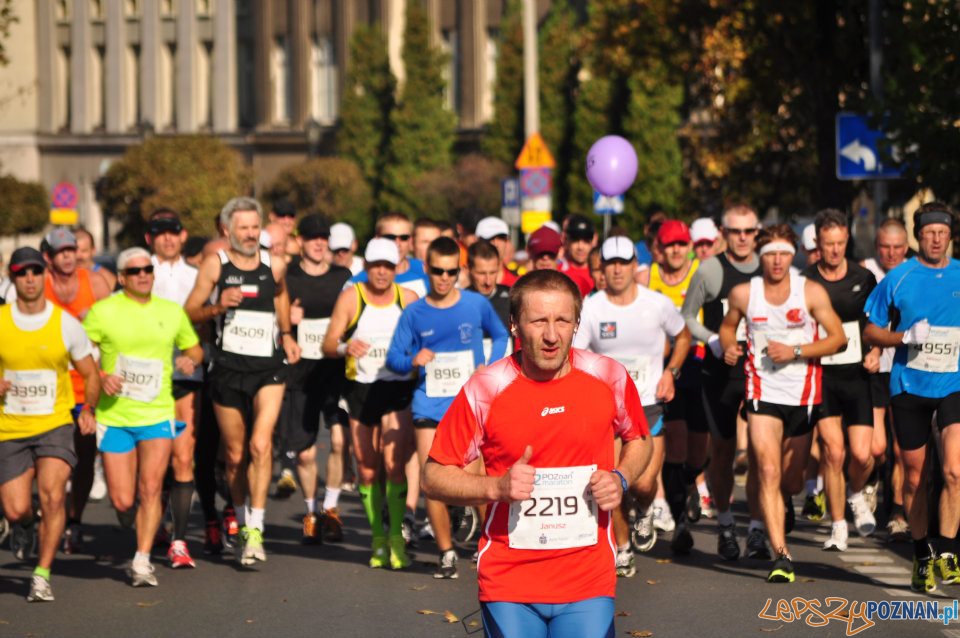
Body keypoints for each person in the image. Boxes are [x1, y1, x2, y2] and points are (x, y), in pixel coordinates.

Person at [422, 269, 651, 637]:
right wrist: (495, 488)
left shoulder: (608, 376)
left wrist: (620, 479)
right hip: (509, 582)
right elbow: (433, 476)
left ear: (577, 324)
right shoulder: (487, 387)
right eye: (538, 321)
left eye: (562, 321)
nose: (551, 335)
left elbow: (639, 439)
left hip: (588, 580)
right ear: (514, 324)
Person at [719, 224, 845, 583]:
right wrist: (728, 346)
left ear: (793, 255)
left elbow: (838, 339)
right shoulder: (745, 293)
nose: (777, 261)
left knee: (790, 481)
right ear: (761, 257)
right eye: (770, 254)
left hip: (802, 395)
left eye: (784, 254)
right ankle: (782, 555)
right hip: (762, 392)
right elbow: (728, 326)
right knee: (768, 470)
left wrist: (796, 351)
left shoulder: (811, 292)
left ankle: (784, 501)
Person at [184, 196, 301, 567]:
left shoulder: (274, 264)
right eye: (243, 228)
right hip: (228, 368)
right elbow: (189, 311)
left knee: (260, 445)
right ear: (227, 230)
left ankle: (256, 529)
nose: (250, 234)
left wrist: (286, 334)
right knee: (234, 455)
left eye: (255, 227)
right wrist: (219, 305)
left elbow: (281, 295)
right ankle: (238, 515)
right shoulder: (215, 265)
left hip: (268, 367)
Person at [387, 236, 509, 579]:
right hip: (429, 405)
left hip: (469, 405)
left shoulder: (475, 304)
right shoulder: (414, 312)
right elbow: (394, 358)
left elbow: (501, 335)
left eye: (451, 272)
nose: (444, 278)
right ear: (427, 268)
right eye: (438, 271)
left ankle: (489, 545)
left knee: (477, 480)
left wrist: (488, 366)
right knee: (432, 479)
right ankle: (446, 552)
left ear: (460, 270)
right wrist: (413, 359)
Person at [83, 247, 203, 586]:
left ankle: (142, 560)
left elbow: (194, 348)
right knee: (123, 499)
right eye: (135, 271)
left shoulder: (170, 311)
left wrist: (190, 359)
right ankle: (130, 519)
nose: (143, 275)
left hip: (156, 412)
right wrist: (101, 376)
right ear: (122, 278)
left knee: (151, 488)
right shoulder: (103, 311)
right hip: (116, 416)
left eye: (148, 269)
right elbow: (81, 354)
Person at [573, 237, 690, 578]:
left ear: (634, 265)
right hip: (607, 410)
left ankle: (647, 508)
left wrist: (671, 372)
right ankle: (623, 549)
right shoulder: (591, 307)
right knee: (616, 480)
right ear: (602, 268)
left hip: (648, 405)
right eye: (610, 263)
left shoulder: (657, 303)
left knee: (642, 484)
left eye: (623, 262)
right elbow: (577, 355)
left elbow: (683, 336)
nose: (617, 269)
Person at [863, 202, 960, 593]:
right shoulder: (898, 278)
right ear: (918, 236)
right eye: (929, 232)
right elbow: (870, 331)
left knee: (954, 470)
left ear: (950, 235)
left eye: (942, 232)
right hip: (909, 387)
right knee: (916, 477)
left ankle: (948, 550)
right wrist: (902, 337)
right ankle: (922, 553)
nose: (936, 239)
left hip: (953, 383)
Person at [0, 247, 100, 602]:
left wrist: (88, 409)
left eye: (35, 271)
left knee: (54, 496)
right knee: (15, 508)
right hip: (10, 428)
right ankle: (25, 524)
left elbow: (90, 373)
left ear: (45, 275)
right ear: (12, 278)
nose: (29, 279)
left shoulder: (65, 323)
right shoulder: (1, 321)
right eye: (22, 273)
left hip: (55, 424)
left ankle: (41, 574)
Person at [323, 238, 419, 569]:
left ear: (395, 269)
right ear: (366, 267)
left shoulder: (408, 299)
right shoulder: (352, 297)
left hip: (397, 387)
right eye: (376, 265)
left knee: (393, 463)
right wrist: (345, 347)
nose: (381, 272)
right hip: (360, 389)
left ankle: (396, 539)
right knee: (366, 468)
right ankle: (378, 537)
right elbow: (328, 343)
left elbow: (425, 338)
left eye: (387, 266)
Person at [680, 203, 766, 561]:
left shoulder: (769, 267)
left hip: (763, 372)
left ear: (757, 233)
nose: (742, 238)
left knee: (762, 452)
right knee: (724, 452)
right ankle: (727, 525)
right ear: (724, 234)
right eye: (735, 231)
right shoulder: (710, 269)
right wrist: (713, 340)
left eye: (748, 231)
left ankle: (758, 529)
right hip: (720, 372)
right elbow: (687, 316)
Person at [802, 209, 880, 552]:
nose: (834, 250)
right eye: (828, 243)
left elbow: (878, 321)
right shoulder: (805, 281)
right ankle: (838, 527)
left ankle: (855, 492)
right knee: (834, 453)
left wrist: (876, 350)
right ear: (818, 243)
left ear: (847, 240)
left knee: (863, 455)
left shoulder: (864, 278)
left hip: (857, 376)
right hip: (822, 375)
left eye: (839, 243)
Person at [278, 215, 352, 543]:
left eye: (324, 237)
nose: (319, 243)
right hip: (301, 373)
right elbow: (273, 320)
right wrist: (287, 321)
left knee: (339, 441)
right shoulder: (289, 277)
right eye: (312, 238)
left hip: (336, 370)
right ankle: (311, 511)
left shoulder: (342, 277)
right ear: (300, 241)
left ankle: (331, 509)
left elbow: (355, 315)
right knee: (305, 453)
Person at [39, 229, 111, 554]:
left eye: (71, 249)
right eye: (61, 251)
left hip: (85, 386)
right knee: (44, 458)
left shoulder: (94, 283)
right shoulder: (37, 285)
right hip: (47, 389)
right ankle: (42, 515)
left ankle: (75, 520)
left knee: (83, 457)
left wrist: (106, 370)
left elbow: (113, 330)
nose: (68, 256)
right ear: (48, 257)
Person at [640, 219, 707, 552]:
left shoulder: (702, 274)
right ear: (660, 248)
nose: (677, 250)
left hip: (699, 367)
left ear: (689, 247)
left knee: (699, 450)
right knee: (675, 441)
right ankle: (679, 520)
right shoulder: (646, 278)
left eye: (682, 244)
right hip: (664, 371)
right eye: (670, 245)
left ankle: (693, 481)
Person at [144, 209, 204, 567]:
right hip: (146, 380)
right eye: (160, 232)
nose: (168, 238)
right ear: (149, 238)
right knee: (154, 460)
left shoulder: (196, 275)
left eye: (174, 231)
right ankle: (154, 522)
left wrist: (194, 354)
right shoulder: (139, 271)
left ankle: (179, 541)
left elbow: (207, 321)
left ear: (183, 236)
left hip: (185, 377)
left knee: (183, 456)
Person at [861, 218, 910, 539]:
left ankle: (898, 511)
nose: (891, 253)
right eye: (885, 247)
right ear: (876, 246)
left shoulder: (915, 272)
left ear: (906, 247)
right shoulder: (865, 272)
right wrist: (869, 350)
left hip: (907, 369)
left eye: (897, 247)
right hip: (874, 370)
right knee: (877, 448)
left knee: (903, 447)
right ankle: (871, 480)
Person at [350, 213, 430, 298]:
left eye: (404, 238)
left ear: (411, 241)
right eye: (390, 237)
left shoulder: (428, 272)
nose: (397, 243)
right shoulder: (356, 283)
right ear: (377, 239)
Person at [467, 239, 511, 333]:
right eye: (481, 273)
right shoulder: (458, 302)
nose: (488, 282)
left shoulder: (512, 299)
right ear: (469, 269)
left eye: (492, 272)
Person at [559, 214, 596, 297]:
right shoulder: (557, 272)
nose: (580, 247)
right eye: (575, 241)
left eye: (586, 241)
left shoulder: (601, 273)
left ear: (593, 241)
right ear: (567, 241)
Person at [475, 217, 518, 286]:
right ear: (477, 241)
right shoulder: (463, 281)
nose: (496, 244)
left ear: (507, 241)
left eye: (501, 237)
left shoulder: (517, 283)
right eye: (490, 238)